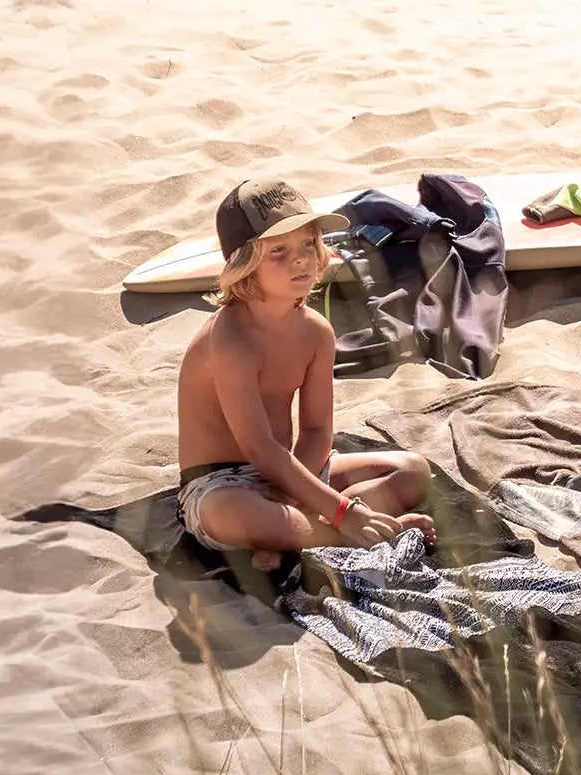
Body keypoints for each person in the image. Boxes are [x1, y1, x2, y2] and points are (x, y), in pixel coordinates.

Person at [176, 177, 436, 571]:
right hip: (221, 482)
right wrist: (343, 511)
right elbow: (259, 447)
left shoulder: (315, 331)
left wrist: (296, 495)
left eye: (308, 245)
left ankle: (297, 531)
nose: (299, 260)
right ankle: (349, 534)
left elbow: (316, 431)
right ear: (244, 263)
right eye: (278, 251)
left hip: (291, 468)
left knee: (413, 471)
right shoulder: (229, 338)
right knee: (230, 513)